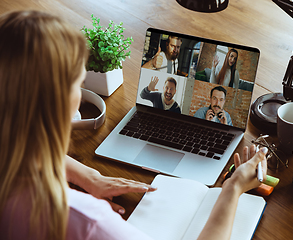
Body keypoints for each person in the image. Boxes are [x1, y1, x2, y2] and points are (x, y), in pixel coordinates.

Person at [0, 10, 268, 240]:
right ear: (55, 104)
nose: (81, 91)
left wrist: (87, 175)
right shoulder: (88, 221)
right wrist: (232, 189)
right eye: (77, 83)